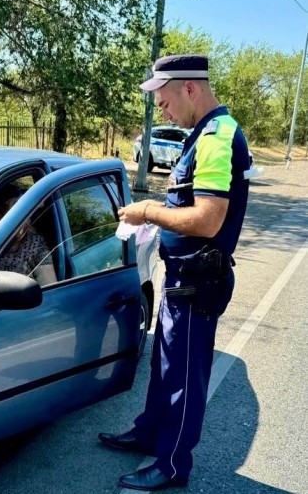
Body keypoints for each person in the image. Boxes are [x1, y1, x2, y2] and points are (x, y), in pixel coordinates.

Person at [98, 54, 251, 491]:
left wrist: (147, 210)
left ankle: (171, 465)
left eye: (164, 101)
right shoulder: (199, 134)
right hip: (182, 277)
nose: (162, 111)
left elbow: (207, 219)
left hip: (197, 283)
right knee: (165, 365)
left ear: (190, 88)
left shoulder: (219, 137)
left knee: (184, 376)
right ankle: (149, 432)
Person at [0, 184, 58, 286]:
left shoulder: (35, 244)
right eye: (18, 215)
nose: (26, 220)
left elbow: (50, 287)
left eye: (26, 213)